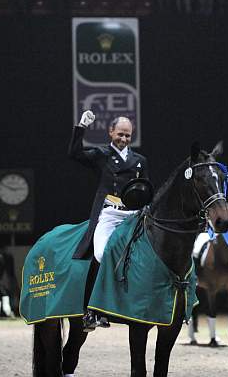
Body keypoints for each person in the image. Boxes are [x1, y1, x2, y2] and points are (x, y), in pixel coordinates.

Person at [68, 110, 150, 331]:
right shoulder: (101, 154)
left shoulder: (140, 161)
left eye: (127, 136)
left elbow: (145, 190)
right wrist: (81, 127)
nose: (123, 139)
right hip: (109, 213)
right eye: (120, 134)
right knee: (101, 253)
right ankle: (92, 309)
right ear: (111, 132)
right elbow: (74, 154)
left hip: (132, 215)